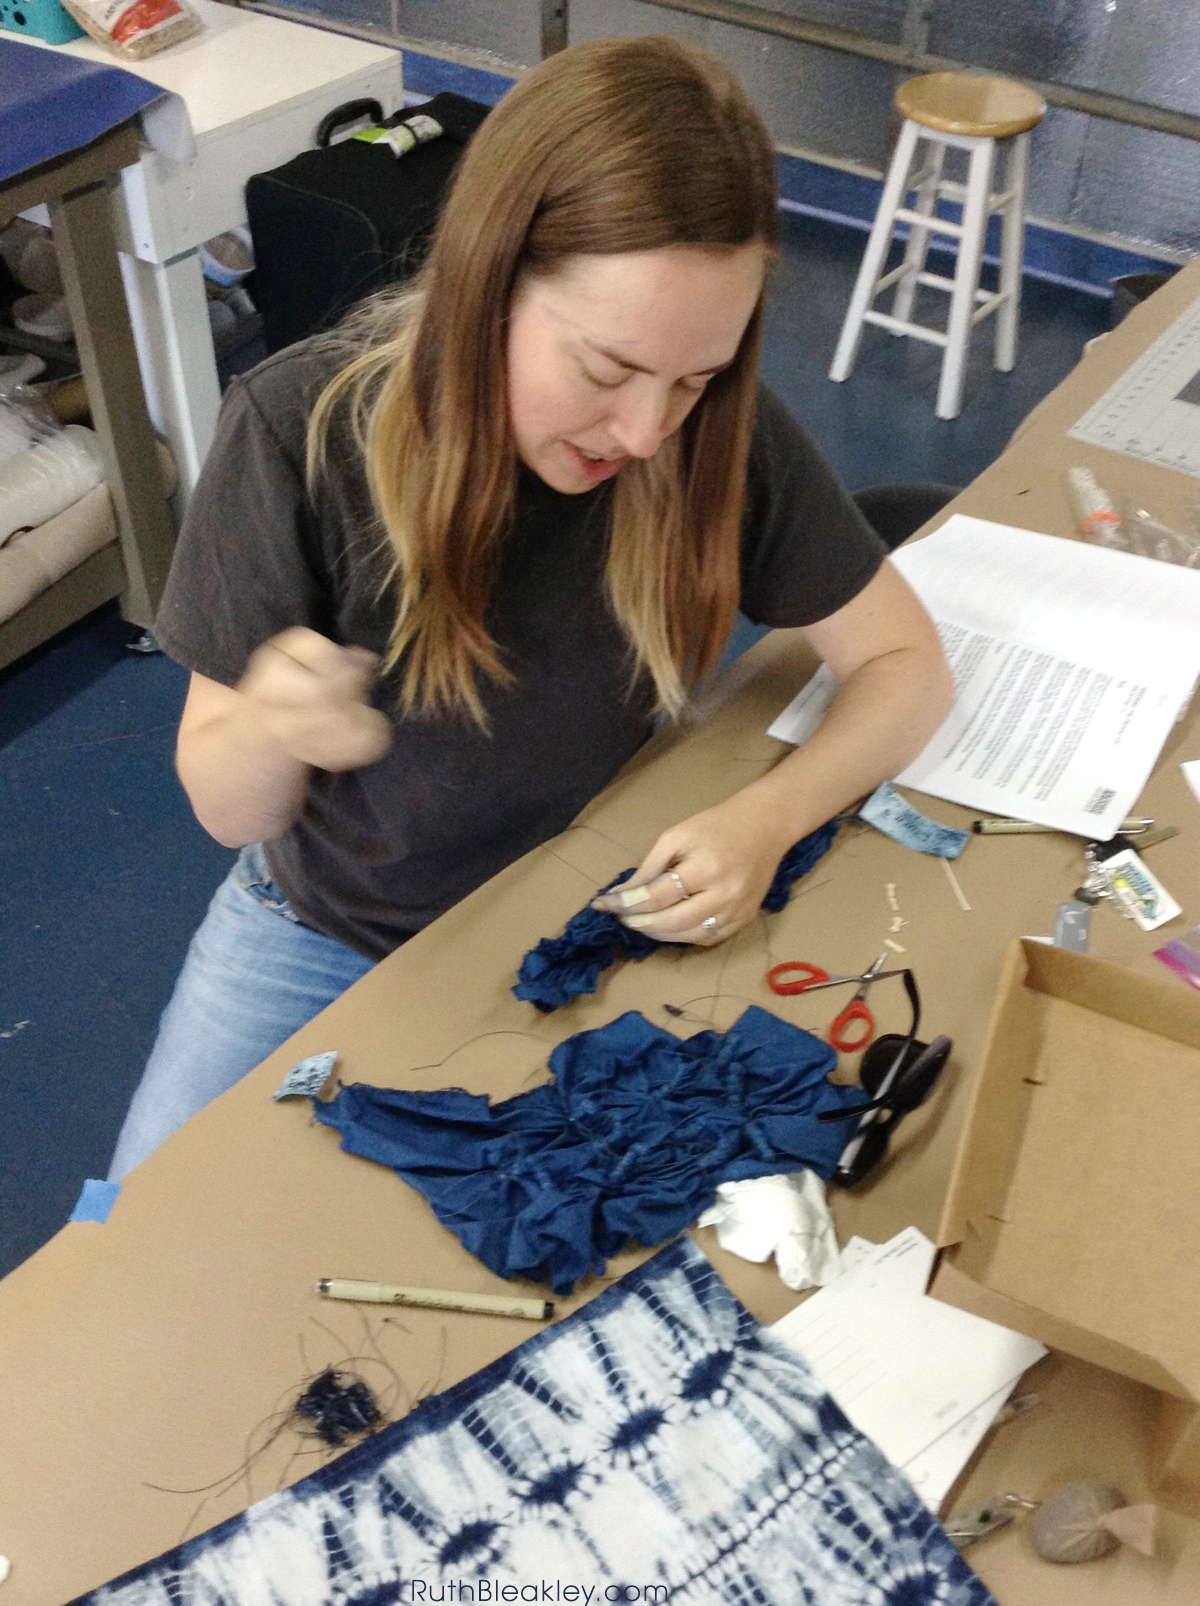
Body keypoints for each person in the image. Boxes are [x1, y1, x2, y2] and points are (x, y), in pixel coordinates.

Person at [108, 35, 952, 1181]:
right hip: (318, 931)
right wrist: (265, 726)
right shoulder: (300, 433)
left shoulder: (712, 441)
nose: (649, 431)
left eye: (694, 378)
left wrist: (768, 817)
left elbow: (907, 664)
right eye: (606, 371)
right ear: (484, 284)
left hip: (573, 907)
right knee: (144, 1216)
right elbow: (225, 809)